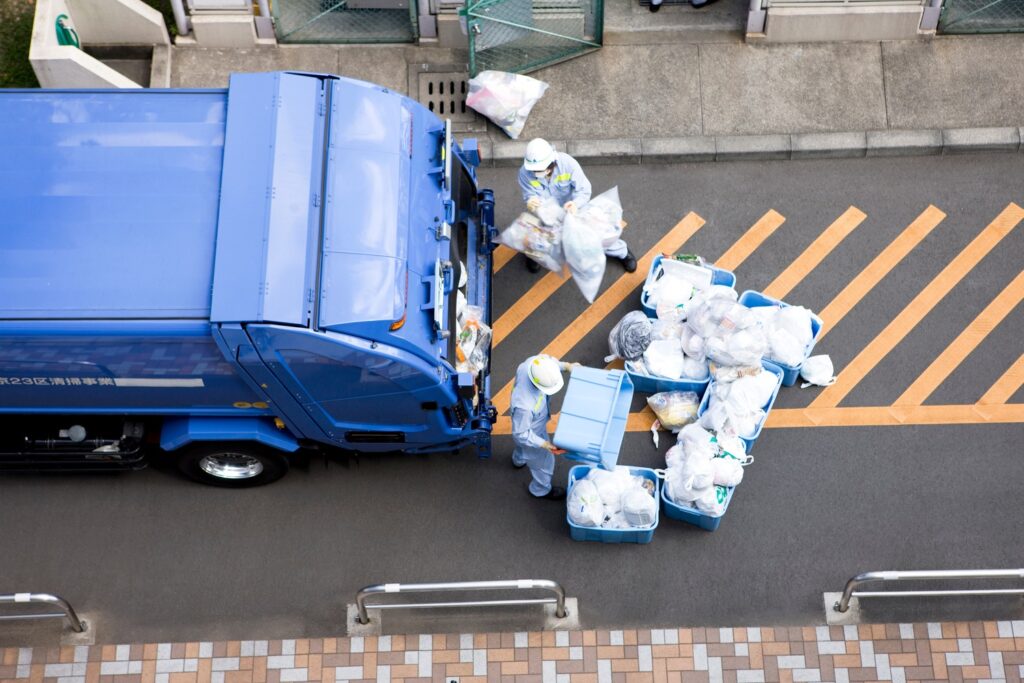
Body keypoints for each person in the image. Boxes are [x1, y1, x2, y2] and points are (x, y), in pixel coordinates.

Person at [517, 138, 637, 274]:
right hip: (548, 214)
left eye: (540, 169)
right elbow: (530, 195)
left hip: (574, 210)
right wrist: (531, 202)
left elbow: (584, 190)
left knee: (597, 236)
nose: (536, 173)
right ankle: (535, 257)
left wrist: (575, 204)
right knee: (539, 239)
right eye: (534, 170)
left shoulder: (568, 164)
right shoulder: (525, 173)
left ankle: (622, 252)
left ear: (552, 162)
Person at [510, 354, 578, 500]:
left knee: (522, 448)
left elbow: (550, 363)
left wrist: (566, 366)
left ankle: (519, 459)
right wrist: (544, 444)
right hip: (532, 431)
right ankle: (540, 489)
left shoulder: (531, 365)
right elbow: (521, 434)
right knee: (543, 464)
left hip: (526, 422)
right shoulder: (525, 406)